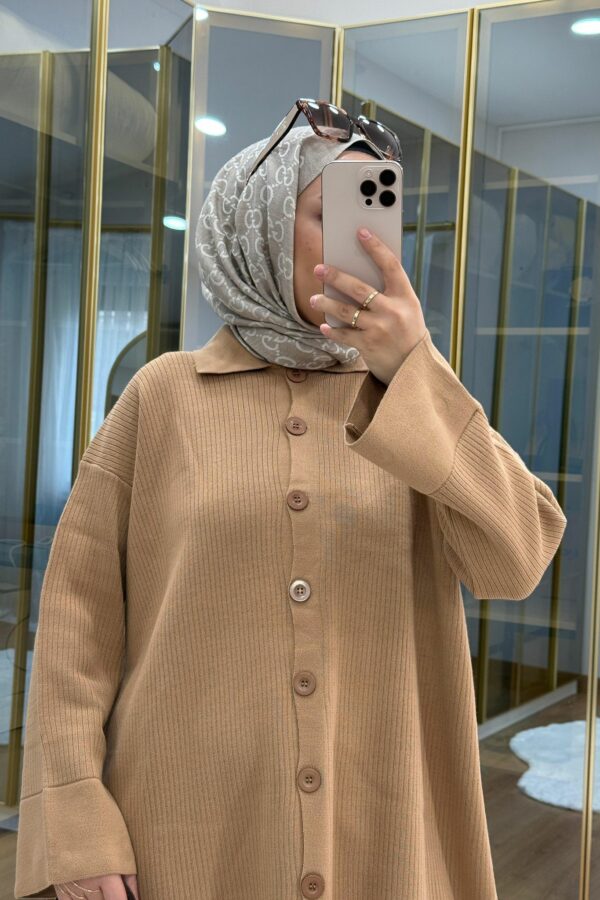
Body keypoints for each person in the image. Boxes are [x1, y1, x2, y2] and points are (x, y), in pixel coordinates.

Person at [14, 122, 567, 900]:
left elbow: (517, 562)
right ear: (263, 223)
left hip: (381, 828)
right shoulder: (164, 396)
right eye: (333, 211)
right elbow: (79, 623)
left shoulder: (415, 404)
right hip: (184, 830)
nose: (365, 237)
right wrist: (75, 815)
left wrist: (416, 371)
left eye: (377, 210)